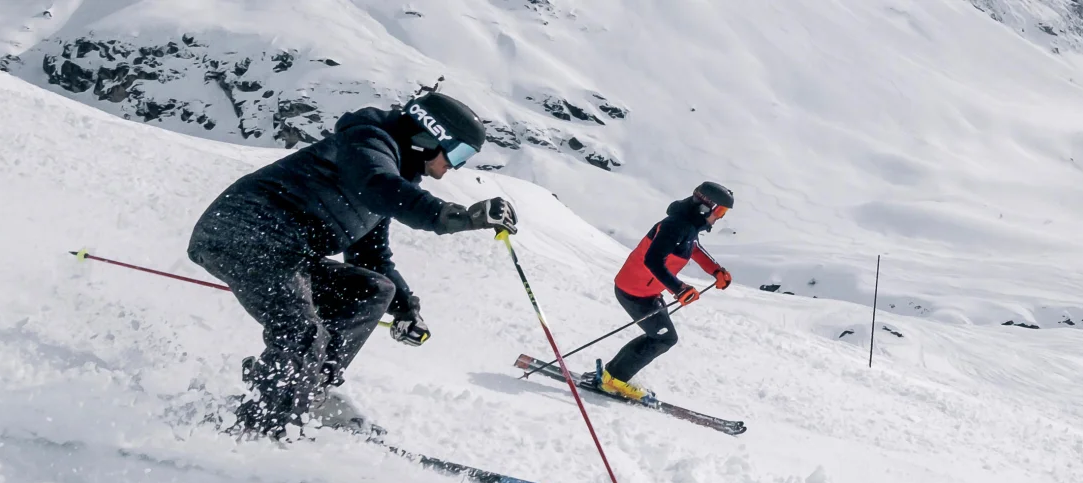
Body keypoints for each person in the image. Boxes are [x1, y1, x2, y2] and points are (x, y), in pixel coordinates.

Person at [187, 92, 518, 440]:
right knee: (303, 331)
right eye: (458, 153)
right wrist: (460, 217)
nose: (455, 166)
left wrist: (406, 309)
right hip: (243, 233)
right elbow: (377, 186)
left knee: (372, 290)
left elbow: (370, 257)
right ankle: (263, 425)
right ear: (430, 135)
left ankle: (307, 394)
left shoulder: (390, 173)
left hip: (285, 251)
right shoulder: (366, 143)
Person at [593, 182, 735, 401]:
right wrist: (679, 289)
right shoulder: (675, 226)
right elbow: (653, 260)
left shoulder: (688, 225)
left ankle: (612, 376)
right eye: (720, 211)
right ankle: (613, 380)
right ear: (706, 208)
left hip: (646, 291)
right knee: (663, 338)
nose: (720, 217)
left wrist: (715, 270)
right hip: (634, 291)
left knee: (659, 336)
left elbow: (693, 248)